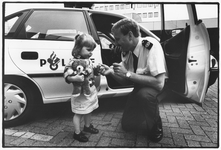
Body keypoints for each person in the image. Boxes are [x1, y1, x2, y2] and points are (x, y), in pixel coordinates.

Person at [100, 18, 167, 142]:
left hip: (156, 88)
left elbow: (159, 83)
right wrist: (111, 73)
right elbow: (126, 81)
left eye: (118, 38)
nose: (115, 43)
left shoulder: (150, 45)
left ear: (130, 35)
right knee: (127, 125)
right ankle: (145, 111)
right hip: (140, 88)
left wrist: (127, 74)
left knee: (145, 95)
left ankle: (155, 127)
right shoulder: (126, 52)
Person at [64, 33, 100, 142]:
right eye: (88, 49)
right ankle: (77, 132)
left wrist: (97, 70)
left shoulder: (88, 60)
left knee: (89, 109)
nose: (91, 52)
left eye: (92, 50)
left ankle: (87, 126)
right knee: (79, 113)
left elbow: (91, 71)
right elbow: (67, 74)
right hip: (80, 94)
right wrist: (74, 78)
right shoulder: (73, 62)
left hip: (90, 91)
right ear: (79, 48)